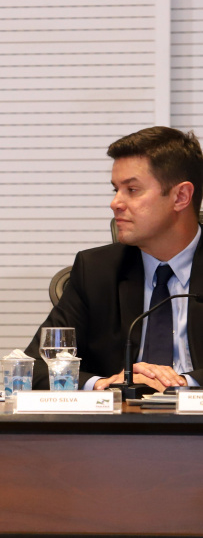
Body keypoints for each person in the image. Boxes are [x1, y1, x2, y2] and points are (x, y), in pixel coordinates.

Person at [24, 126, 203, 391]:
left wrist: (180, 382)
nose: (116, 203)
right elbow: (35, 367)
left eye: (132, 189)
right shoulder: (96, 271)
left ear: (181, 196)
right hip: (118, 427)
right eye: (115, 190)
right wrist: (104, 384)